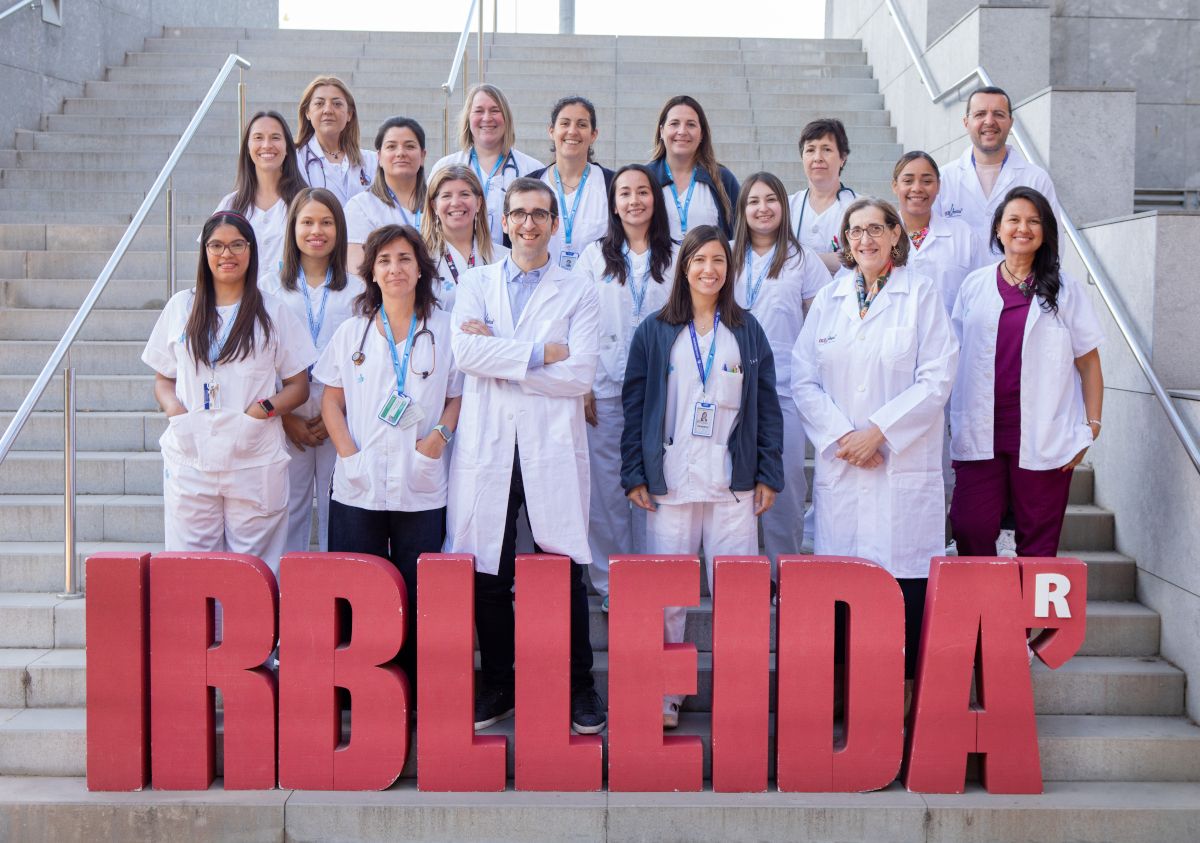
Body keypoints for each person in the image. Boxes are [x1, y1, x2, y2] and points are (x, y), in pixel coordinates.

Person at [446, 177, 605, 735]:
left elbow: (580, 375)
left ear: (555, 224)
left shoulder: (579, 289)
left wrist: (503, 358)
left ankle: (579, 685)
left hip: (550, 446)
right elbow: (465, 354)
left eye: (540, 214)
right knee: (488, 571)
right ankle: (500, 681)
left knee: (562, 566)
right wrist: (540, 354)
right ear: (505, 221)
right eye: (519, 214)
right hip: (490, 446)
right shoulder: (476, 282)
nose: (529, 224)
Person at [791, 198, 958, 700]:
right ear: (844, 240)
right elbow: (803, 378)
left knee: (903, 584)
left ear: (894, 235)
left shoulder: (921, 294)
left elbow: (938, 377)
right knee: (843, 587)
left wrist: (878, 433)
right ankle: (845, 698)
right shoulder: (830, 298)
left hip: (900, 464)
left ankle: (901, 699)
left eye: (875, 229)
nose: (864, 240)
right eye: (855, 231)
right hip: (844, 463)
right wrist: (845, 437)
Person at [621, 225, 783, 728]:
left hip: (733, 483)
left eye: (718, 260)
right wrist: (634, 472)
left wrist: (769, 472)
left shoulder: (747, 331)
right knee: (667, 596)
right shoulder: (655, 331)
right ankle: (665, 695)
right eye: (699, 260)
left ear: (729, 269)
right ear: (684, 267)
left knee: (739, 594)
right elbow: (634, 407)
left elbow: (767, 407)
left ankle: (740, 694)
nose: (709, 270)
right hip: (670, 481)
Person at [315, 224, 462, 699]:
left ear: (420, 269)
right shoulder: (351, 332)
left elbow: (458, 395)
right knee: (357, 589)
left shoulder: (445, 329)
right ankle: (358, 690)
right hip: (358, 483)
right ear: (372, 273)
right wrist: (347, 453)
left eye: (404, 259)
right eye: (384, 260)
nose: (394, 268)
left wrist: (438, 439)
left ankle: (414, 691)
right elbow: (330, 400)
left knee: (420, 594)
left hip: (420, 481)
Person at [142, 211, 316, 575]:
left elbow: (298, 386)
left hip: (253, 454)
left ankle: (251, 618)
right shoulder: (181, 307)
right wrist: (175, 411)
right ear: (204, 252)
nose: (227, 254)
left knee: (254, 566)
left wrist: (262, 409)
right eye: (217, 245)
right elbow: (163, 379)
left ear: (251, 250)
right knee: (191, 566)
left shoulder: (273, 311)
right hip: (192, 453)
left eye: (237, 244)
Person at [949, 186, 1103, 557]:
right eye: (1014, 220)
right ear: (998, 229)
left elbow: (1088, 362)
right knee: (970, 525)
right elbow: (955, 355)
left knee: (1038, 539)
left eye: (1034, 221)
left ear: (1045, 232)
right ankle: (986, 597)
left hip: (1042, 430)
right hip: (983, 428)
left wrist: (1091, 427)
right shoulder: (974, 286)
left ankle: (1030, 599)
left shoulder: (1066, 290)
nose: (1023, 228)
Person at [579, 163, 677, 610]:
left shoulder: (678, 254)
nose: (634, 200)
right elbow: (577, 323)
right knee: (606, 489)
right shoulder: (593, 257)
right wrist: (582, 382)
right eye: (625, 193)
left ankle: (652, 578)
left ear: (655, 199)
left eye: (643, 191)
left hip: (665, 392)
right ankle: (611, 582)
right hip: (604, 387)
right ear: (613, 204)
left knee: (657, 484)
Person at [730, 172, 832, 582]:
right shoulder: (727, 253)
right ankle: (738, 576)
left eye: (771, 199)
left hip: (784, 388)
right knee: (731, 482)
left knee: (786, 481)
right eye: (753, 201)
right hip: (730, 387)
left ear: (784, 207)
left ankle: (781, 574)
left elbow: (823, 323)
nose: (763, 208)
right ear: (742, 210)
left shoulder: (801, 258)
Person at [261, 187, 365, 554]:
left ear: (339, 229)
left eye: (326, 222)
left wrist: (340, 412)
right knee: (287, 508)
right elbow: (260, 358)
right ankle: (284, 583)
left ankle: (334, 584)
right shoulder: (269, 289)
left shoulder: (359, 289)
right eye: (307, 222)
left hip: (342, 411)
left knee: (339, 506)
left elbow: (366, 356)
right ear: (292, 228)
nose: (316, 231)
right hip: (286, 412)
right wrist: (285, 416)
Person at [934, 86, 1061, 253]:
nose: (989, 121)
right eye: (980, 114)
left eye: (999, 114)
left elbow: (1053, 243)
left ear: (1011, 122)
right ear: (966, 122)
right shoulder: (943, 178)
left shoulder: (1036, 179)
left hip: (1018, 271)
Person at [428, 83, 544, 245]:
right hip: (456, 259)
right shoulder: (445, 166)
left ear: (506, 118)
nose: (487, 118)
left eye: (495, 110)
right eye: (479, 111)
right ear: (468, 119)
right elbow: (429, 223)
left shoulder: (532, 170)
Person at [212, 110, 306, 280]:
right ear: (247, 148)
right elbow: (212, 258)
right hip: (243, 295)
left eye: (275, 137)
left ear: (287, 147)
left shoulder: (305, 202)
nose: (267, 145)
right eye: (258, 137)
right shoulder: (230, 204)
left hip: (293, 294)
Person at [891, 151, 987, 316]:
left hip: (951, 331)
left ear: (938, 186)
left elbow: (983, 290)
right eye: (908, 181)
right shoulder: (879, 236)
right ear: (895, 186)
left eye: (927, 181)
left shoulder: (964, 235)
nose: (917, 188)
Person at [529, 96, 615, 269]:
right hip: (542, 283)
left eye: (582, 125)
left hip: (596, 283)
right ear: (551, 131)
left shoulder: (611, 184)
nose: (572, 131)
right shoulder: (532, 184)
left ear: (593, 135)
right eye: (565, 123)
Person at [646, 95, 740, 240]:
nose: (682, 131)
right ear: (662, 131)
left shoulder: (723, 178)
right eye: (674, 123)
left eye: (691, 124)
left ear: (701, 134)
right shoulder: (645, 177)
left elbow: (740, 233)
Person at [344, 117, 428, 274]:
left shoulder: (438, 204)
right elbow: (358, 274)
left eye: (410, 146)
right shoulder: (360, 207)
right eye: (391, 147)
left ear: (422, 156)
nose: (401, 153)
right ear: (379, 157)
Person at [421, 165, 509, 313]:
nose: (455, 202)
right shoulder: (420, 259)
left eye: (464, 194)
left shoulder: (504, 259)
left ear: (479, 203)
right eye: (446, 196)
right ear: (434, 206)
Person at [788, 118, 857, 274]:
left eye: (827, 149)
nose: (817, 157)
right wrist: (831, 259)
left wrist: (799, 260)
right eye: (810, 150)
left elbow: (857, 257)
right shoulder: (788, 206)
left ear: (843, 158)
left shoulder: (859, 207)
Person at [295, 75, 377, 206]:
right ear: (307, 113)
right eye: (319, 103)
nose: (328, 110)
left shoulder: (372, 161)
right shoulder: (295, 160)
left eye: (337, 104)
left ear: (349, 114)